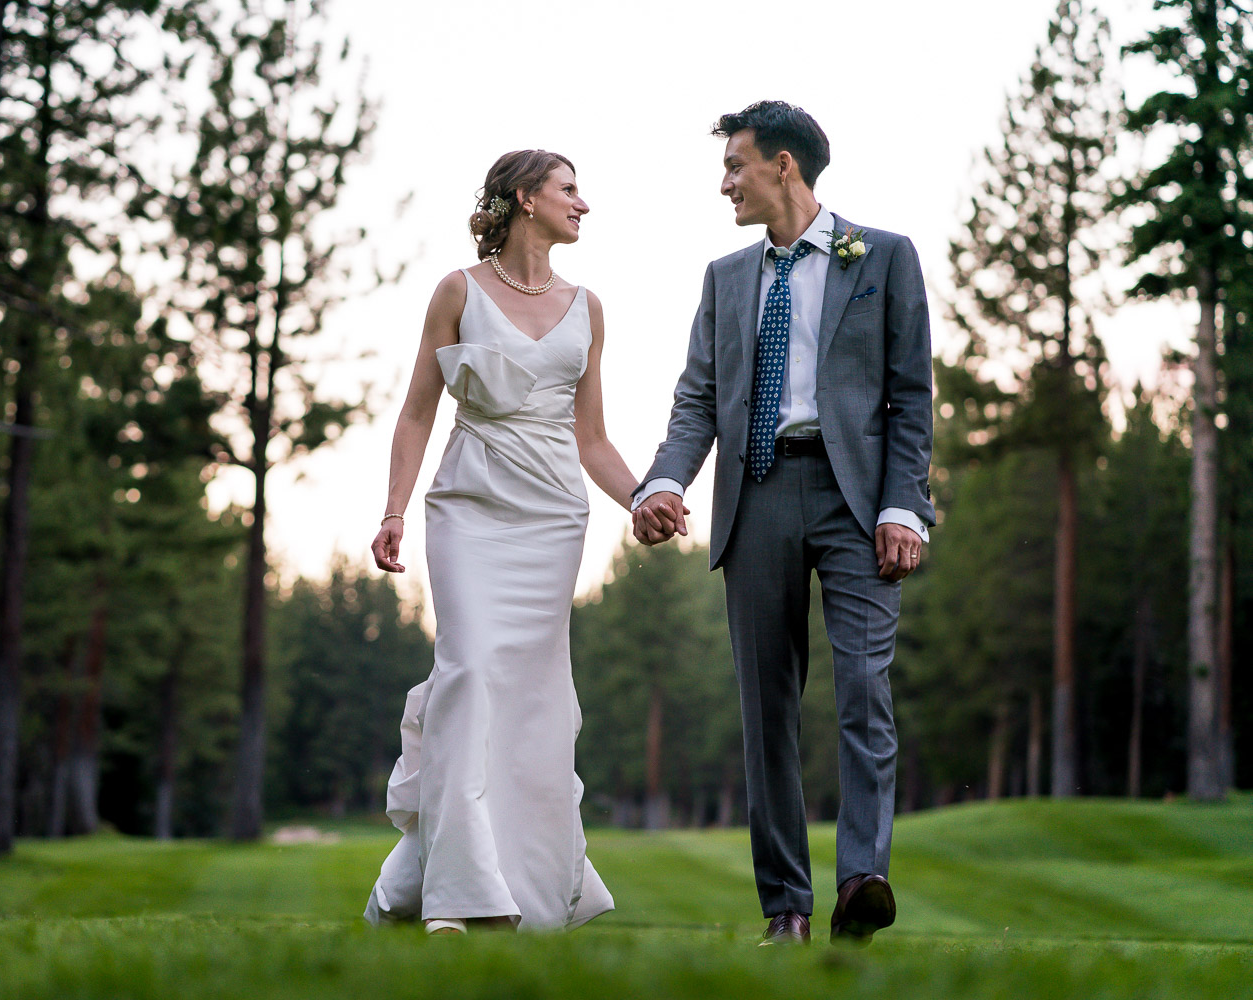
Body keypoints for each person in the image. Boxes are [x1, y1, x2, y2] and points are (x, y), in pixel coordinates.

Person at [633, 101, 934, 947]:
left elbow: (910, 395)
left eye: (735, 165)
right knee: (765, 706)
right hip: (755, 494)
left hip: (857, 503)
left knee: (864, 689)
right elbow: (697, 397)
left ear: (785, 167)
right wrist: (662, 481)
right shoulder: (725, 277)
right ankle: (786, 911)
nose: (724, 183)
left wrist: (902, 504)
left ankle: (861, 882)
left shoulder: (881, 256)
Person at [364, 149, 636, 934]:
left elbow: (593, 440)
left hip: (553, 513)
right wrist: (392, 509)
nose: (582, 204)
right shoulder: (458, 290)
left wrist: (644, 498)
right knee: (470, 673)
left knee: (530, 702)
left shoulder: (588, 307)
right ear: (524, 200)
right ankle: (459, 896)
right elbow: (417, 410)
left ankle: (504, 886)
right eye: (568, 190)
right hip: (469, 503)